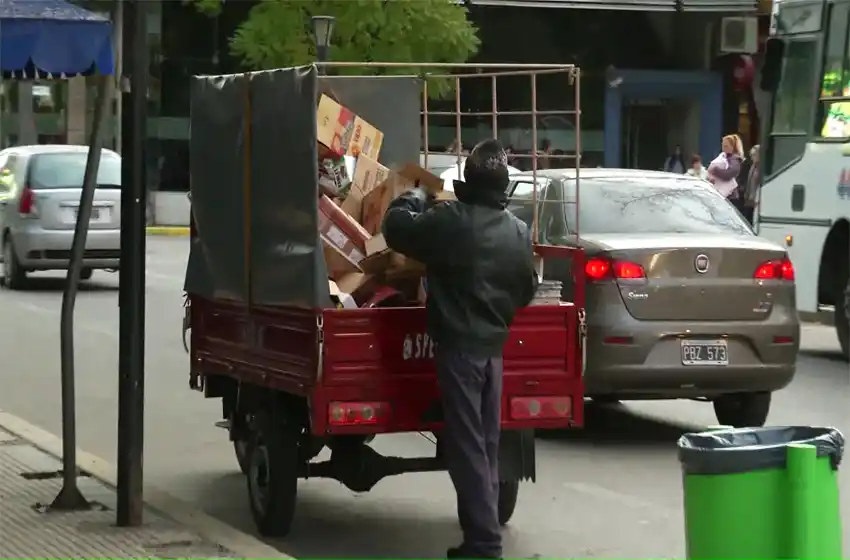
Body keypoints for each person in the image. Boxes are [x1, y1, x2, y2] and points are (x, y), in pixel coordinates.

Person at [382, 139, 539, 559]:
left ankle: (484, 543)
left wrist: (413, 195)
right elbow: (527, 290)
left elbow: (395, 229)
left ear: (469, 180)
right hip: (493, 348)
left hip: (461, 348)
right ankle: (481, 534)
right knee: (485, 443)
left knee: (467, 445)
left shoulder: (453, 220)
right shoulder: (518, 231)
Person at [707, 134, 744, 199]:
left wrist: (715, 169)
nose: (723, 148)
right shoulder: (724, 156)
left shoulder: (734, 159)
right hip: (724, 194)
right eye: (723, 145)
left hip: (730, 195)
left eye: (726, 146)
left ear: (732, 147)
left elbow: (729, 174)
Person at [740, 144, 760, 225]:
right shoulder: (752, 166)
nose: (752, 157)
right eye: (751, 155)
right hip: (749, 199)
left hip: (755, 199)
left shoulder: (761, 167)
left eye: (754, 155)